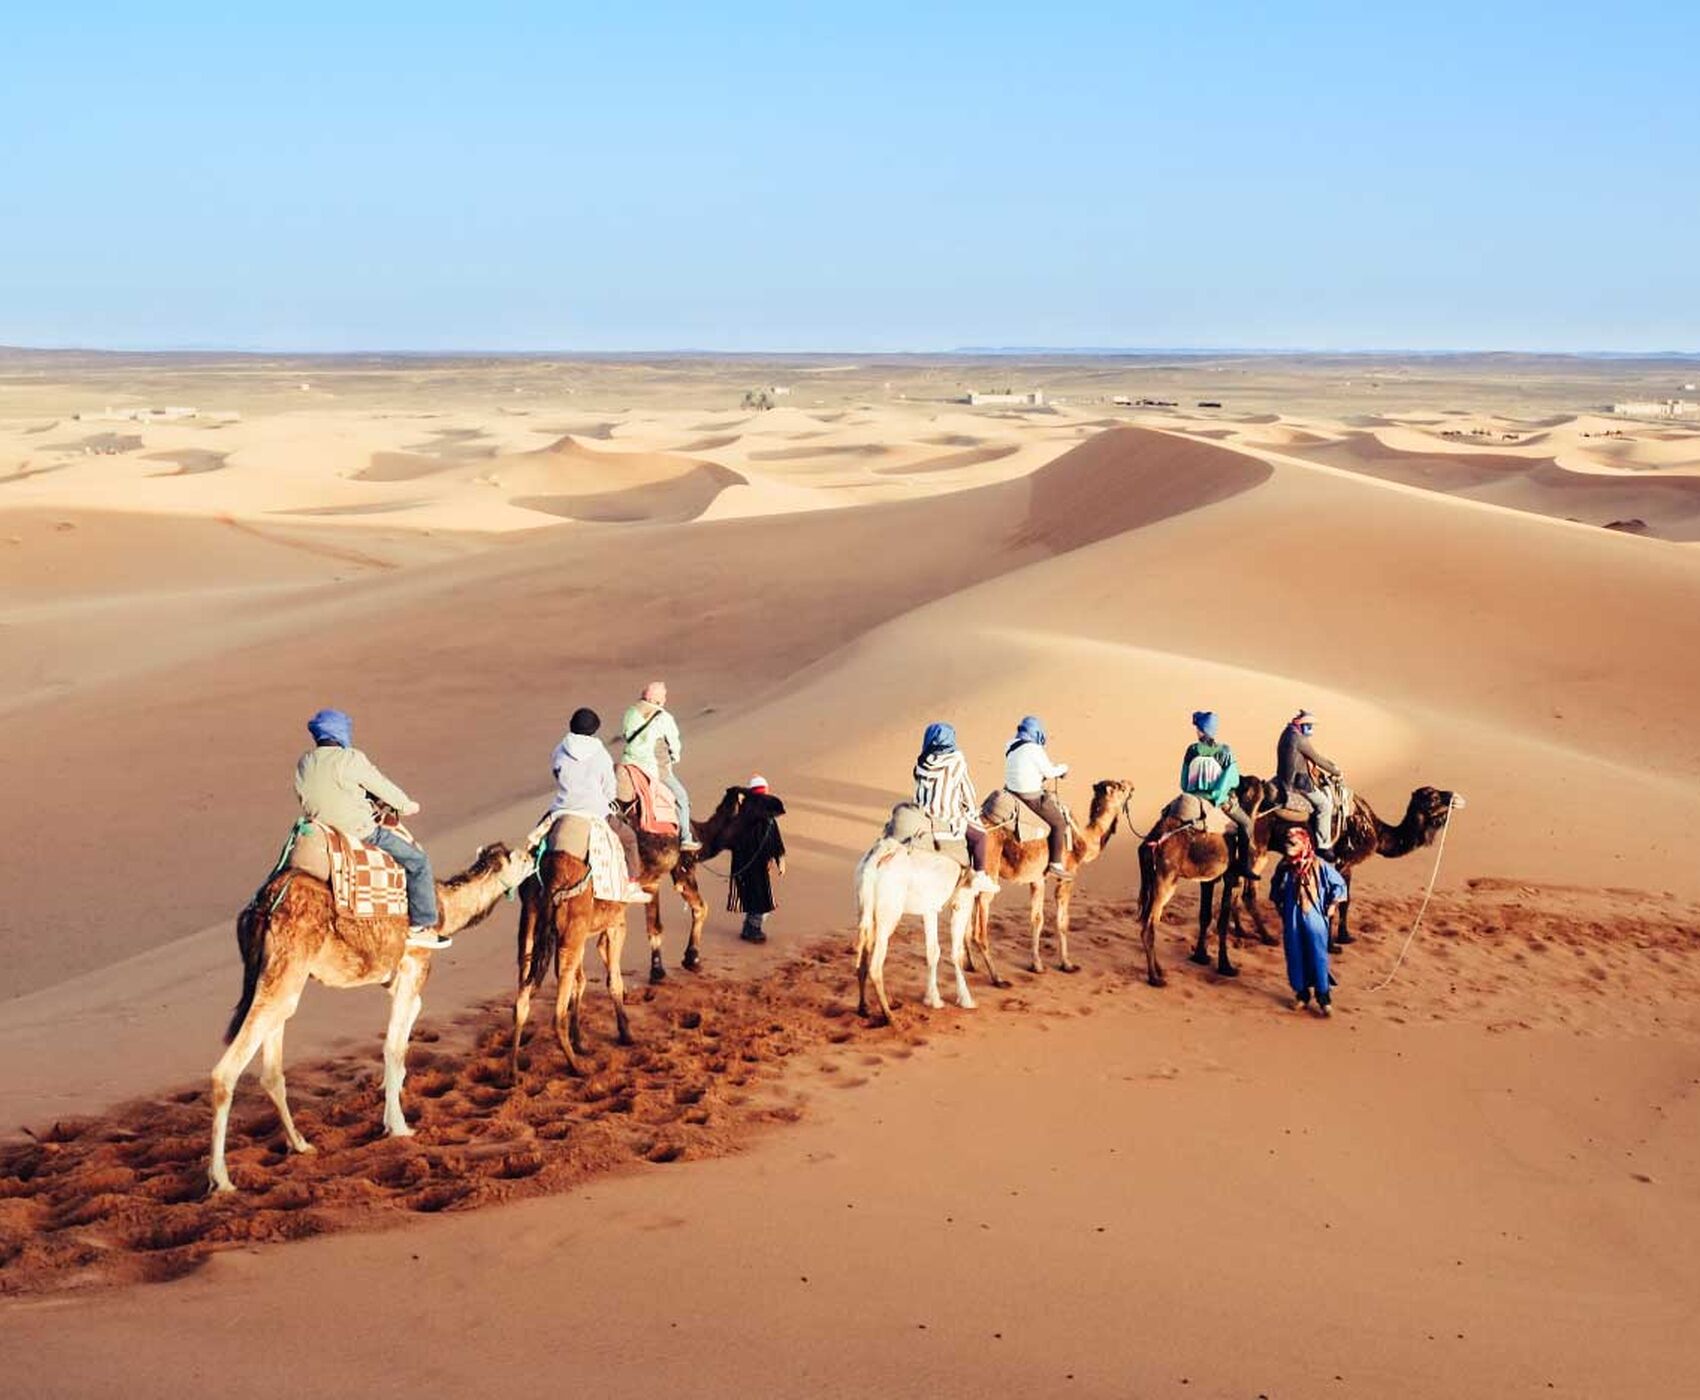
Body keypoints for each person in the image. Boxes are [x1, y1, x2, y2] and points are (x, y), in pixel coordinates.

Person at [294, 707, 447, 950]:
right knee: (418, 862)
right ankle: (421, 926)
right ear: (341, 732)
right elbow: (381, 786)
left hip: (319, 831)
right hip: (358, 831)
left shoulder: (305, 762)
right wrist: (406, 805)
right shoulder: (351, 759)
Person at [549, 707, 650, 903]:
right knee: (629, 838)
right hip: (595, 810)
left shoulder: (559, 749)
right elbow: (609, 787)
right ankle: (631, 885)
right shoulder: (600, 754)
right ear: (594, 728)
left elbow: (556, 773)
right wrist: (607, 799)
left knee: (537, 840)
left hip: (563, 807)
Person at [913, 722, 999, 895]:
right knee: (980, 836)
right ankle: (979, 876)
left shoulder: (921, 763)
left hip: (923, 816)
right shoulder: (956, 761)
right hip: (947, 818)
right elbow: (967, 792)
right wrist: (972, 811)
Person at [1269, 826, 1347, 1015]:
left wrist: (1333, 904)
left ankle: (1323, 998)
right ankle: (1302, 995)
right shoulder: (1285, 867)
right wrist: (1280, 905)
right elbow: (1275, 889)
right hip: (1293, 919)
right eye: (1287, 843)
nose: (1289, 847)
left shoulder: (1319, 865)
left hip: (1315, 917)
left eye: (1293, 843)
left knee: (1318, 955)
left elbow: (1339, 884)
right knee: (1295, 954)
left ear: (1303, 844)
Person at [619, 680, 699, 852]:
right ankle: (685, 838)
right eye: (663, 697)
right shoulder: (664, 718)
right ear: (657, 700)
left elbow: (626, 736)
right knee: (681, 797)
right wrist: (674, 758)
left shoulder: (630, 712)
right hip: (654, 768)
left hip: (628, 763)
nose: (665, 701)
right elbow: (674, 745)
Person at [1180, 710, 1256, 878]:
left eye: (1198, 728)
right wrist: (1217, 795)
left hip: (1193, 799)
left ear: (1202, 730)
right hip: (1218, 800)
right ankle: (1243, 866)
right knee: (1246, 824)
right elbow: (1232, 780)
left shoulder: (1192, 750)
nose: (1196, 731)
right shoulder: (1225, 751)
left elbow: (1184, 782)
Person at [1003, 715, 1071, 879]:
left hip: (1011, 792)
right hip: (1030, 797)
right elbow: (1049, 772)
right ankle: (1055, 864)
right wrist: (1063, 768)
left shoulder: (1010, 745)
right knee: (1059, 823)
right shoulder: (1034, 749)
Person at [1276, 709, 1343, 855]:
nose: (1310, 729)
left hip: (1281, 777)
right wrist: (1336, 771)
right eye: (1309, 726)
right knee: (1325, 806)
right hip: (1297, 782)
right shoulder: (1299, 739)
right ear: (1302, 725)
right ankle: (1324, 845)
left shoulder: (1287, 733)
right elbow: (1316, 758)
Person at [730, 774, 786, 943]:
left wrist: (779, 859)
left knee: (754, 897)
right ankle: (752, 929)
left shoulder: (745, 815)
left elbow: (775, 840)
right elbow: (775, 840)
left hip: (747, 865)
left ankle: (750, 928)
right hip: (753, 865)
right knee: (761, 899)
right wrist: (779, 860)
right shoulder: (763, 816)